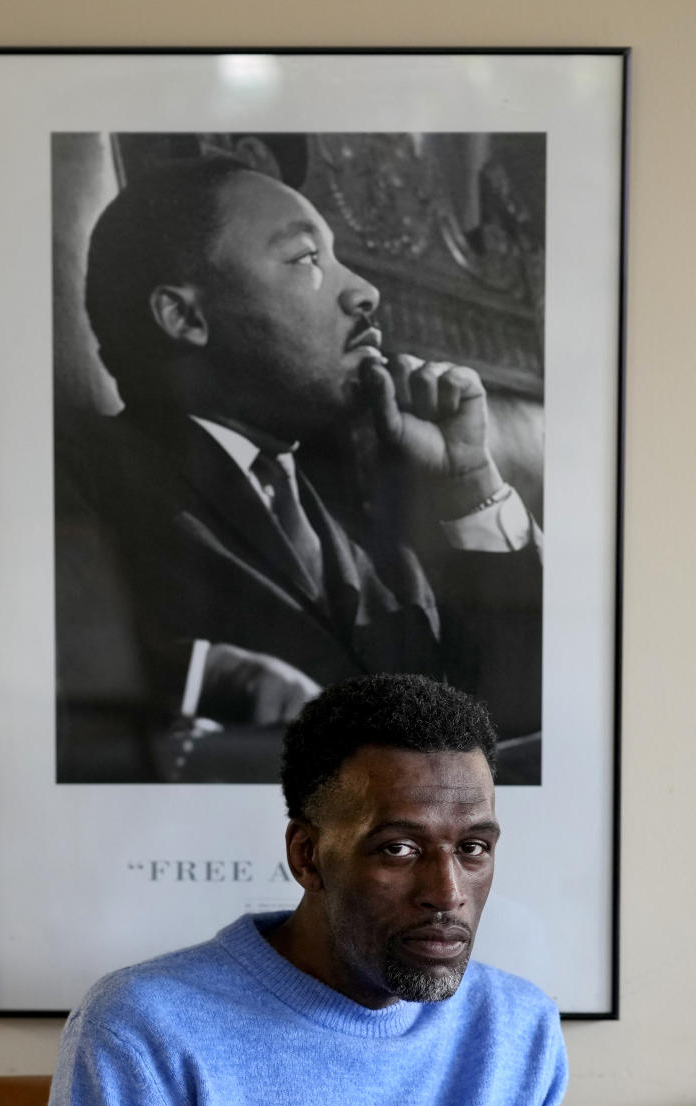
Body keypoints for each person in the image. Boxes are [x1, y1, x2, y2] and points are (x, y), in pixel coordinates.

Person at [10, 674, 567, 1106]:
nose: (447, 892)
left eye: (473, 848)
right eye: (398, 849)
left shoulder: (518, 1030)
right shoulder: (141, 1026)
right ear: (307, 856)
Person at [56, 154, 543, 784]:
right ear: (186, 317)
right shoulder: (78, 477)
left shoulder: (372, 521)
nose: (365, 292)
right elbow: (39, 674)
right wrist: (212, 676)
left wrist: (469, 483)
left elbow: (520, 719)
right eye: (307, 258)